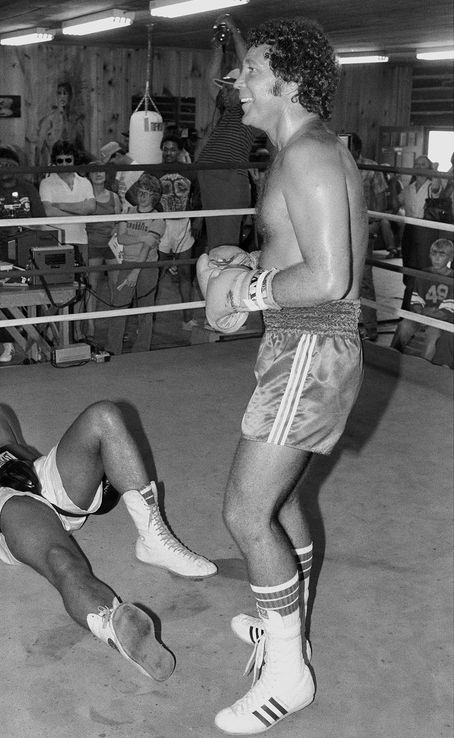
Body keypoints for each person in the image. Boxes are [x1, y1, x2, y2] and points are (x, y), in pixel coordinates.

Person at [196, 18, 367, 734]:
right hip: (297, 347)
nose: (236, 79)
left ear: (289, 83)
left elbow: (330, 278)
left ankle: (288, 676)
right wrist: (247, 270)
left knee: (244, 510)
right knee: (281, 498)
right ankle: (282, 625)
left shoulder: (309, 155)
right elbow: (302, 257)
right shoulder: (299, 148)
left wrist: (247, 291)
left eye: (251, 70)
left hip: (310, 348)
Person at [0, 351, 216, 680]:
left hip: (38, 476)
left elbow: (24, 453)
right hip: (4, 501)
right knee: (62, 561)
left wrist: (92, 468)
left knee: (104, 414)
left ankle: (154, 539)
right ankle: (112, 624)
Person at [0, 146, 47, 363]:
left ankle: (34, 341)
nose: (5, 169)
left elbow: (40, 219)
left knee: (30, 296)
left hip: (25, 250)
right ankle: (8, 345)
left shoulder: (29, 189)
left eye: (11, 165)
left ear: (18, 168)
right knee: (4, 298)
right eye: (1, 165)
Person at [196, 13, 257, 251]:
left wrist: (235, 32)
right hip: (212, 175)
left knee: (224, 243)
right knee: (215, 241)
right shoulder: (229, 106)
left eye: (230, 86)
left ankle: (227, 284)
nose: (225, 90)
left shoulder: (252, 105)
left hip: (228, 178)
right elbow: (210, 79)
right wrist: (219, 48)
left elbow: (248, 63)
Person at [39, 140, 95, 341]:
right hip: (56, 241)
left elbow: (90, 208)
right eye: (60, 160)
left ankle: (77, 332)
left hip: (80, 239)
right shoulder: (47, 183)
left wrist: (61, 205)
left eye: (68, 160)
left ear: (74, 160)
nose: (64, 164)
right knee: (56, 288)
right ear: (54, 162)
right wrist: (77, 208)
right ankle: (50, 332)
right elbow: (48, 211)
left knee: (80, 287)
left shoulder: (85, 182)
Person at [105, 173, 166, 356]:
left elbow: (146, 249)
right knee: (118, 306)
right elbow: (121, 238)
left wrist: (135, 272)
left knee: (145, 310)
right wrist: (142, 236)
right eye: (141, 190)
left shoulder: (158, 218)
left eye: (147, 192)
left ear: (154, 196)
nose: (143, 195)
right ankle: (112, 349)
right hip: (127, 263)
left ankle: (142, 350)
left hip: (146, 267)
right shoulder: (128, 212)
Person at [348, 132, 390, 342]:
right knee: (341, 274)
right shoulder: (338, 164)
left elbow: (381, 197)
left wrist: (375, 222)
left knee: (364, 279)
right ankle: (345, 326)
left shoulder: (371, 168)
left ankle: (371, 329)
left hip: (363, 227)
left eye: (351, 149)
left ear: (358, 149)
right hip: (341, 227)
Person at [157, 135, 199, 331]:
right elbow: (135, 193)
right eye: (165, 149)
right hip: (162, 224)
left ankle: (187, 319)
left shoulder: (189, 171)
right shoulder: (154, 170)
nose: (168, 153)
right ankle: (148, 320)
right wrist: (149, 211)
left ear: (180, 151)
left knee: (185, 273)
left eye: (172, 149)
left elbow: (199, 196)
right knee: (156, 274)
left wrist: (199, 219)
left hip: (183, 224)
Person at [390, 238, 454, 362]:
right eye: (434, 253)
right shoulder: (423, 274)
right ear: (429, 255)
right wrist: (420, 312)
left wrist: (427, 314)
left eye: (442, 255)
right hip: (422, 315)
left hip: (441, 320)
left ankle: (425, 366)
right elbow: (416, 301)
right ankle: (392, 357)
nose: (437, 258)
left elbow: (447, 311)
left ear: (450, 258)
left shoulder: (452, 279)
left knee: (433, 336)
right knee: (404, 326)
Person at [398, 154, 443, 309]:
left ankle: (423, 305)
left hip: (426, 230)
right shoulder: (408, 188)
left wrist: (435, 172)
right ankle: (408, 303)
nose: (420, 167)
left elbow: (437, 189)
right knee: (409, 266)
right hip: (410, 229)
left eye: (424, 164)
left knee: (424, 266)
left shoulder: (431, 186)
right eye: (417, 164)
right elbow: (397, 201)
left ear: (429, 168)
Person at [84, 163, 122, 340]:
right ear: (88, 175)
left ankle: (116, 326)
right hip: (92, 245)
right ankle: (90, 326)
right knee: (92, 287)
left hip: (111, 247)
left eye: (101, 171)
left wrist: (116, 229)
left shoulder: (114, 197)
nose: (98, 174)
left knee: (116, 286)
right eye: (94, 172)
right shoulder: (86, 197)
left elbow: (119, 221)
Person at [36, 81, 85, 168]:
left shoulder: (76, 121)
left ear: (70, 96)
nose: (62, 96)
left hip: (72, 168)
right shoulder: (48, 120)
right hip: (52, 167)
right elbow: (39, 149)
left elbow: (81, 149)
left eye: (65, 93)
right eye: (59, 93)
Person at [99, 141, 143, 210]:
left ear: (118, 155)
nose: (111, 166)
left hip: (134, 214)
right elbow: (116, 189)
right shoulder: (120, 169)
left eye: (112, 163)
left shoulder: (138, 171)